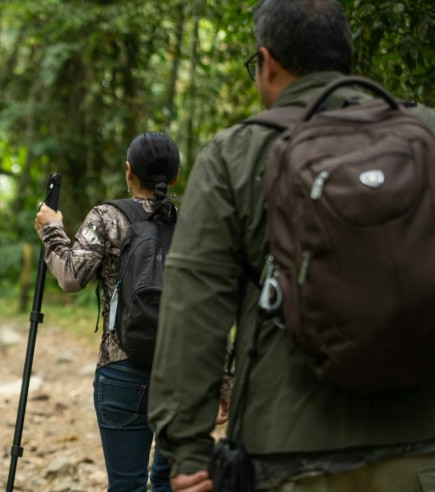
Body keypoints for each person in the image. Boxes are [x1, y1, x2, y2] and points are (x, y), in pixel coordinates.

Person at [147, 1, 435, 491]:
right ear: (345, 53)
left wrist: (187, 448)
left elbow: (195, 308)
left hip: (289, 455)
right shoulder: (425, 132)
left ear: (267, 61)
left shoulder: (235, 155)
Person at [34, 131, 179, 492]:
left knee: (127, 486)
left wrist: (51, 230)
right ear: (175, 177)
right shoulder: (191, 224)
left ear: (129, 171)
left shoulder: (107, 217)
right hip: (181, 374)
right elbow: (209, 303)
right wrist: (222, 379)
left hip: (121, 368)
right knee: (171, 484)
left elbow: (71, 277)